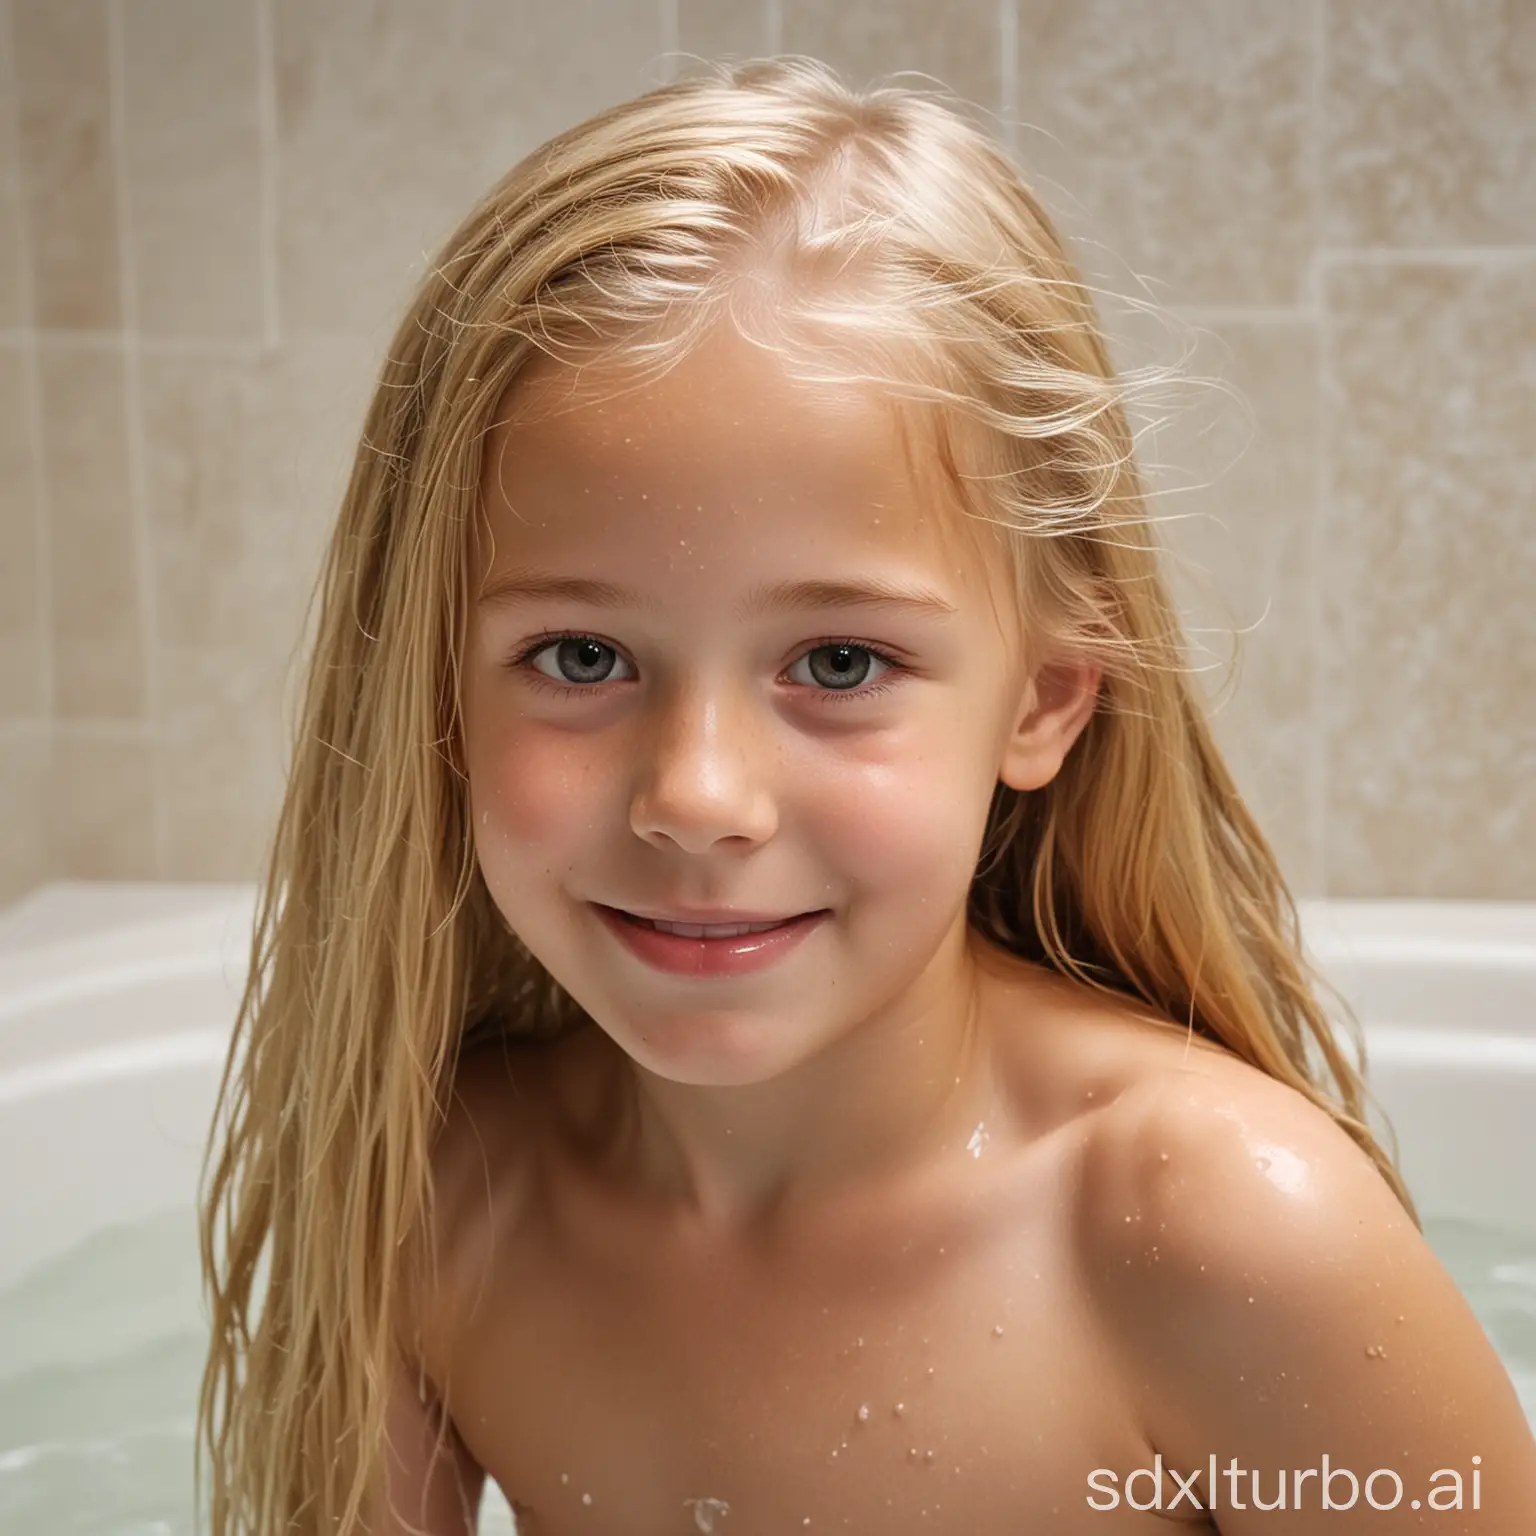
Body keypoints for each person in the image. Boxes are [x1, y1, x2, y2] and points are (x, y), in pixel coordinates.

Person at [195, 56, 1536, 1535]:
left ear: (1042, 696)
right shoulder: (442, 1209)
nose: (698, 798)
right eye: (580, 655)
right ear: (430, 692)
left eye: (838, 661)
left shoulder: (1219, 1243)